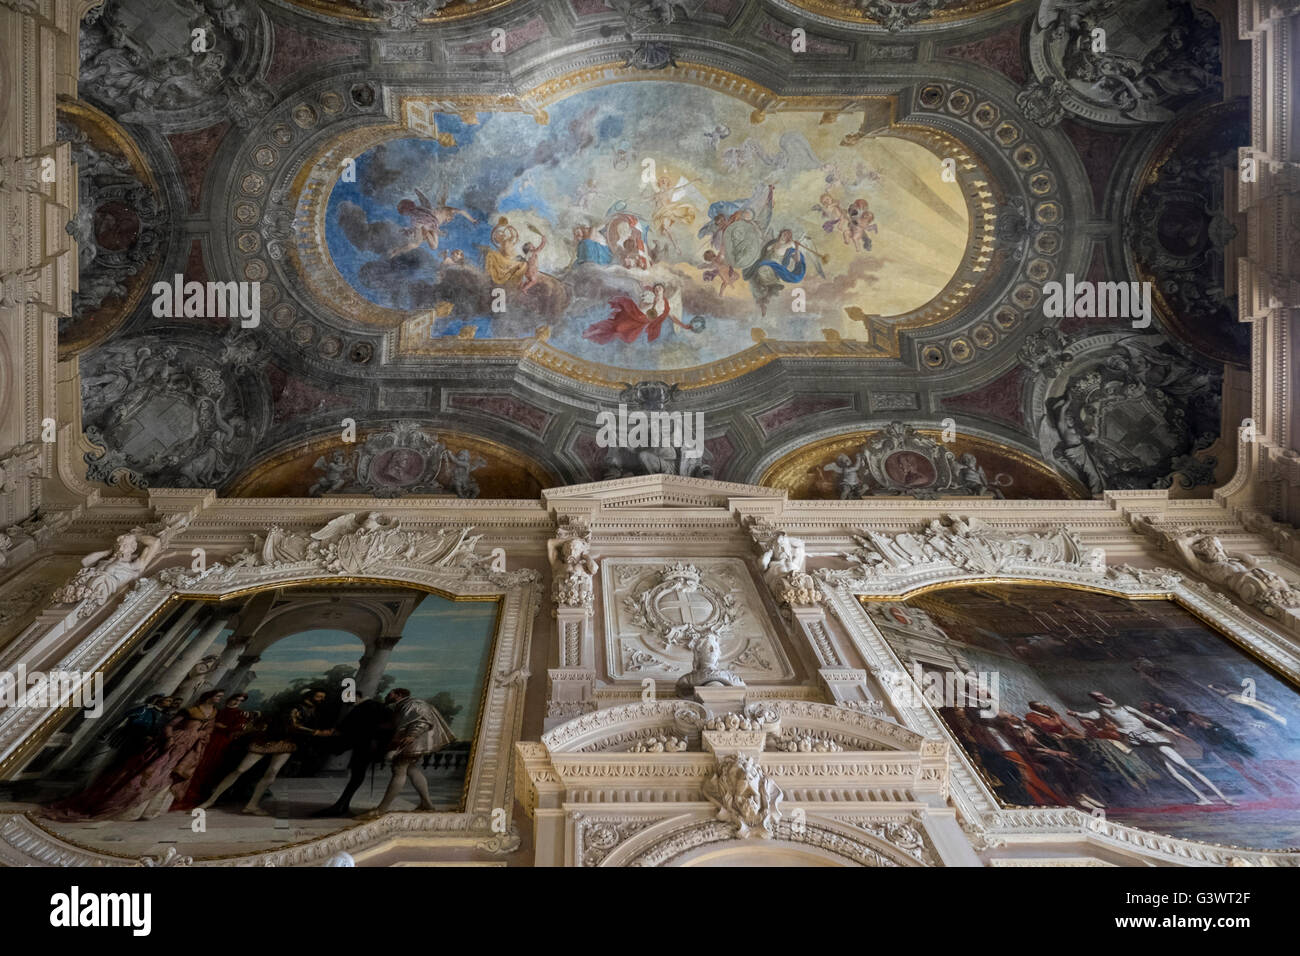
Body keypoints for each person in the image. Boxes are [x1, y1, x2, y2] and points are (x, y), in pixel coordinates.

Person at [47, 690, 226, 822]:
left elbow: (209, 729)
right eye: (217, 696)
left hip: (191, 746)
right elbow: (169, 725)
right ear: (209, 696)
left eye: (220, 697)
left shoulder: (214, 712)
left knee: (170, 776)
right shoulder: (191, 710)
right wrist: (170, 740)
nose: (219, 699)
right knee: (153, 772)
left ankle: (150, 811)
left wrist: (202, 735)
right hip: (176, 742)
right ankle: (129, 810)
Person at [1069, 691, 1235, 806]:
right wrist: (1075, 714)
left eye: (1102, 695)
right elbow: (1089, 716)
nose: (1103, 698)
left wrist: (1171, 731)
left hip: (1150, 736)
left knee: (1185, 767)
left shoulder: (1126, 708)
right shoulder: (1101, 712)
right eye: (1098, 697)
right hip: (1138, 740)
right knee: (1172, 773)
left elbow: (1149, 719)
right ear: (1096, 700)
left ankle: (1224, 798)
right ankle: (1202, 798)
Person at [197, 690, 335, 816]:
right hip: (269, 739)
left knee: (272, 772)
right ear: (309, 696)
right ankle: (211, 800)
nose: (321, 699)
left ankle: (251, 805)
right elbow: (292, 725)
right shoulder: (294, 708)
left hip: (286, 742)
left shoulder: (314, 711)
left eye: (323, 697)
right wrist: (317, 732)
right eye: (319, 697)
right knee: (240, 769)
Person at [364, 689, 455, 816]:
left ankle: (381, 809)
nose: (387, 696)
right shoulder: (402, 705)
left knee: (398, 769)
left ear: (399, 695)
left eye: (390, 693)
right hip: (409, 741)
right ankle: (427, 804)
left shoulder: (413, 704)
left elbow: (422, 720)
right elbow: (400, 724)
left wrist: (412, 735)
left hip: (411, 742)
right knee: (411, 769)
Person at [312, 695, 396, 818]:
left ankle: (340, 806)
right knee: (357, 775)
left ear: (357, 696)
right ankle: (342, 805)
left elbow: (351, 727)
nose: (348, 703)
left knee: (357, 775)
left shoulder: (367, 706)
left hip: (366, 745)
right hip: (368, 745)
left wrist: (333, 732)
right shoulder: (374, 706)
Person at [172, 693, 256, 811]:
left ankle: (197, 799)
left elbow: (238, 728)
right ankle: (182, 794)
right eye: (236, 699)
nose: (237, 702)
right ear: (230, 698)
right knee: (195, 765)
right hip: (205, 738)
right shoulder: (217, 710)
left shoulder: (240, 713)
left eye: (240, 701)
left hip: (220, 742)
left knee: (207, 768)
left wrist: (221, 727)